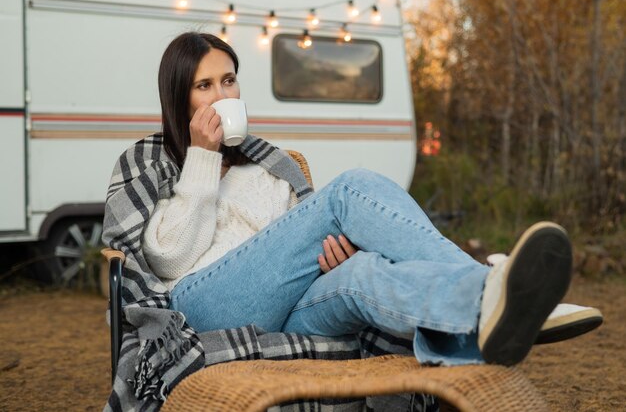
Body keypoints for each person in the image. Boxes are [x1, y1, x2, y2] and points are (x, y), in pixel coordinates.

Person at [122, 30, 604, 371]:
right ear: (179, 99)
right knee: (351, 188)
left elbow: (291, 250)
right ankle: (493, 286)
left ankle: (488, 317)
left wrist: (330, 259)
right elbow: (167, 259)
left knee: (363, 274)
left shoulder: (269, 167)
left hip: (282, 311)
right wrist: (203, 159)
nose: (221, 94)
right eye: (204, 86)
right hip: (201, 308)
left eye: (228, 80)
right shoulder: (154, 163)